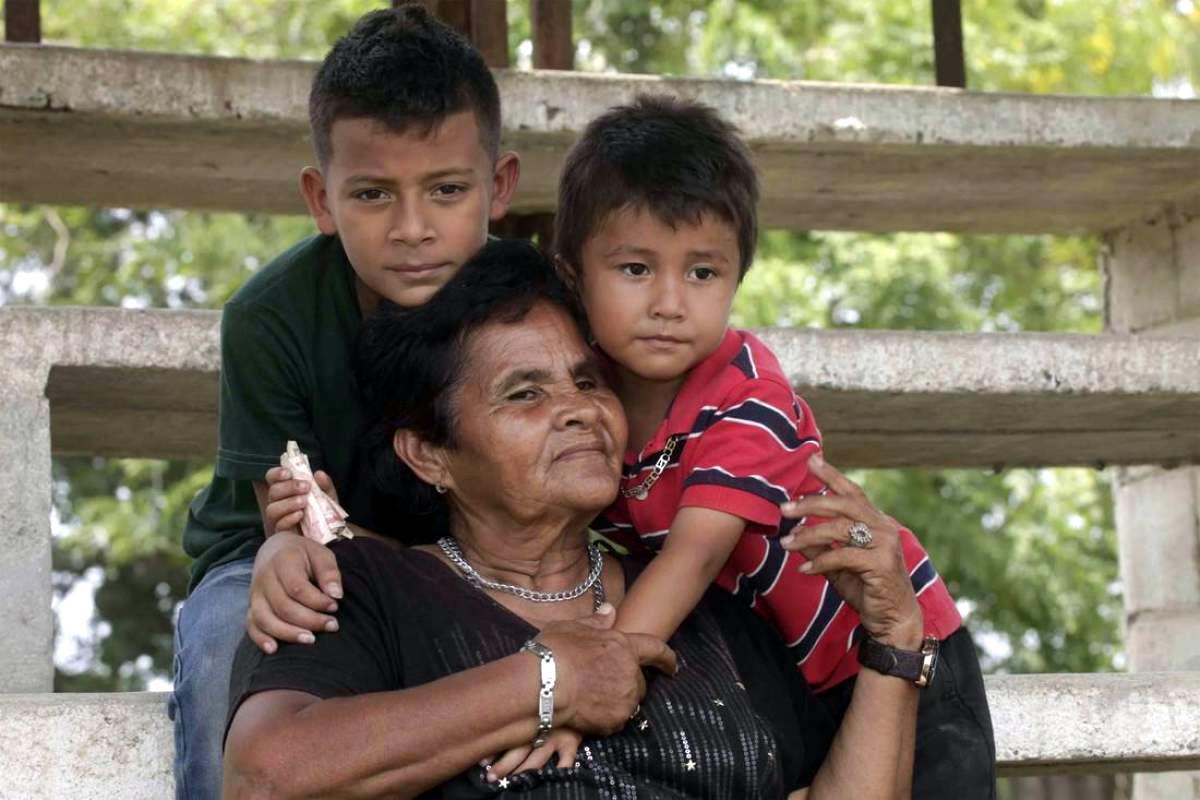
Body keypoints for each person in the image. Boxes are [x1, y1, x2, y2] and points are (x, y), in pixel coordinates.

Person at [223, 239, 929, 799]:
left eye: (587, 381)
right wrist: (546, 682)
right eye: (524, 393)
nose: (578, 409)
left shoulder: (711, 608)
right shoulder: (361, 590)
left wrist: (894, 641)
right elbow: (266, 776)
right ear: (429, 453)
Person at [537, 95, 995, 797]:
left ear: (737, 279)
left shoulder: (749, 397)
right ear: (573, 274)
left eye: (702, 273)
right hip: (777, 665)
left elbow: (695, 554)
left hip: (894, 647)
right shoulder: (587, 398)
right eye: (635, 269)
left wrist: (589, 688)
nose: (669, 302)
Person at [170, 6, 520, 797]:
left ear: (498, 187)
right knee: (235, 640)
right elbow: (296, 520)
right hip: (282, 555)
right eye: (371, 194)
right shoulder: (270, 317)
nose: (411, 228)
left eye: (446, 189)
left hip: (470, 555)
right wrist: (295, 546)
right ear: (320, 199)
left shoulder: (526, 307)